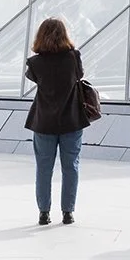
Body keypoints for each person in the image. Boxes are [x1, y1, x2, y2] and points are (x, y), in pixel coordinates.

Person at [25, 16, 86, 227]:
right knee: (71, 167)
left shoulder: (35, 63)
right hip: (71, 120)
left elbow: (33, 78)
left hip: (44, 122)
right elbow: (79, 75)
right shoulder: (73, 57)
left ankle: (44, 212)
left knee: (44, 168)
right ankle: (68, 212)